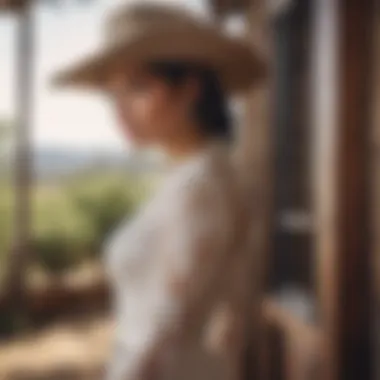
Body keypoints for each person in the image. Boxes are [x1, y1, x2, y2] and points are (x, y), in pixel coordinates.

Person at [51, 2, 266, 380]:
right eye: (112, 94)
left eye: (138, 88)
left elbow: (165, 328)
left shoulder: (201, 185)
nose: (119, 111)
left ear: (188, 89)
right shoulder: (198, 175)